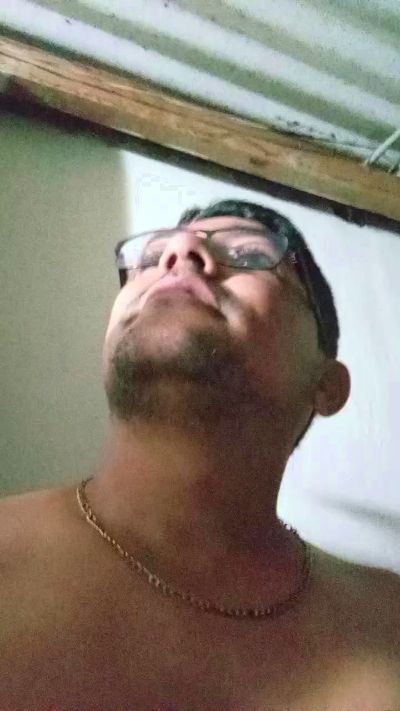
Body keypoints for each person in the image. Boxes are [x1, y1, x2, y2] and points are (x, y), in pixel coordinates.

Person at [0, 199, 399, 710]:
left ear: (326, 385)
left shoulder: (387, 620)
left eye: (250, 255)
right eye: (152, 256)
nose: (181, 251)